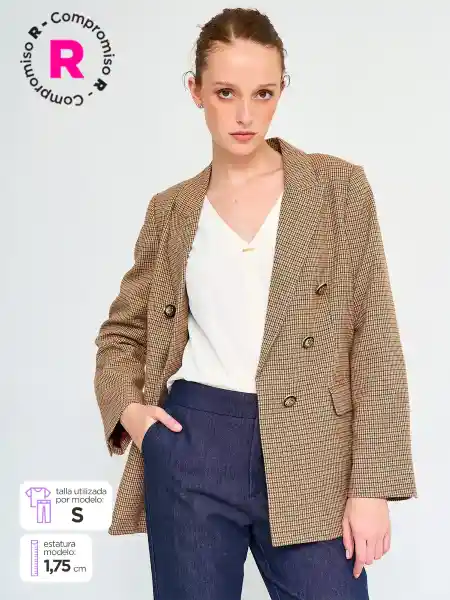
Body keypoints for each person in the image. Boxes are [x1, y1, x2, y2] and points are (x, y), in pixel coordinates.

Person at [93, 7, 417, 600]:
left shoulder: (337, 188)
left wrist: (371, 486)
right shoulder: (172, 210)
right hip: (193, 439)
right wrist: (133, 416)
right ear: (195, 91)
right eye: (226, 93)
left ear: (282, 91)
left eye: (263, 93)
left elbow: (374, 336)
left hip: (310, 447)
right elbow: (122, 333)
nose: (245, 114)